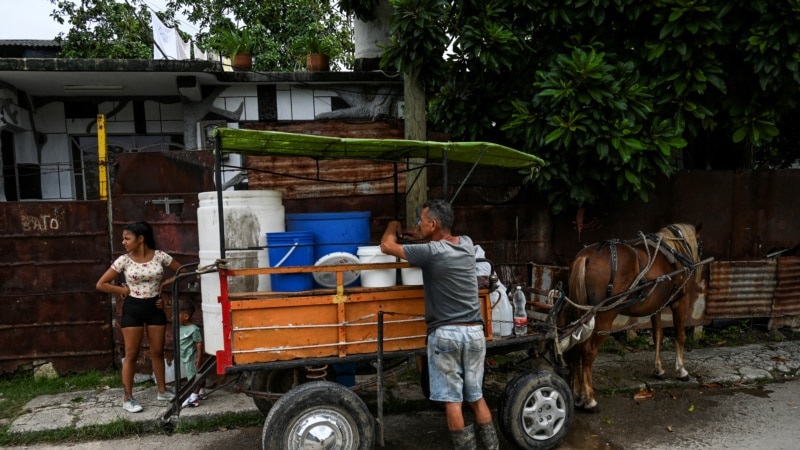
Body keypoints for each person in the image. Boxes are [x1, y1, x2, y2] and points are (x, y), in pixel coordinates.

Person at [380, 199, 499, 450]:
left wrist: (393, 224)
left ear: (433, 224)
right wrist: (415, 232)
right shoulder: (466, 244)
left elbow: (386, 245)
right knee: (476, 398)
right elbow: (431, 238)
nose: (418, 225)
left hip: (447, 335)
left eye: (421, 222)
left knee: (453, 402)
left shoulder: (431, 253)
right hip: (475, 333)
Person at [96, 221, 181, 413]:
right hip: (133, 308)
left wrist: (165, 284)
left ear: (140, 239)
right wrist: (121, 290)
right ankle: (128, 398)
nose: (124, 242)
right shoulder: (123, 260)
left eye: (127, 238)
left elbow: (182, 271)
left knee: (157, 352)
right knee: (132, 354)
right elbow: (101, 284)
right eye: (123, 239)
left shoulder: (160, 256)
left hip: (155, 307)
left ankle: (162, 390)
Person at [177, 299, 206, 408]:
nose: (175, 318)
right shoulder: (181, 326)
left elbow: (198, 343)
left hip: (191, 357)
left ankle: (193, 398)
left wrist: (199, 357)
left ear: (185, 316)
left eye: (177, 315)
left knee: (193, 378)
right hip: (185, 356)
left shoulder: (194, 329)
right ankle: (201, 392)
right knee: (198, 375)